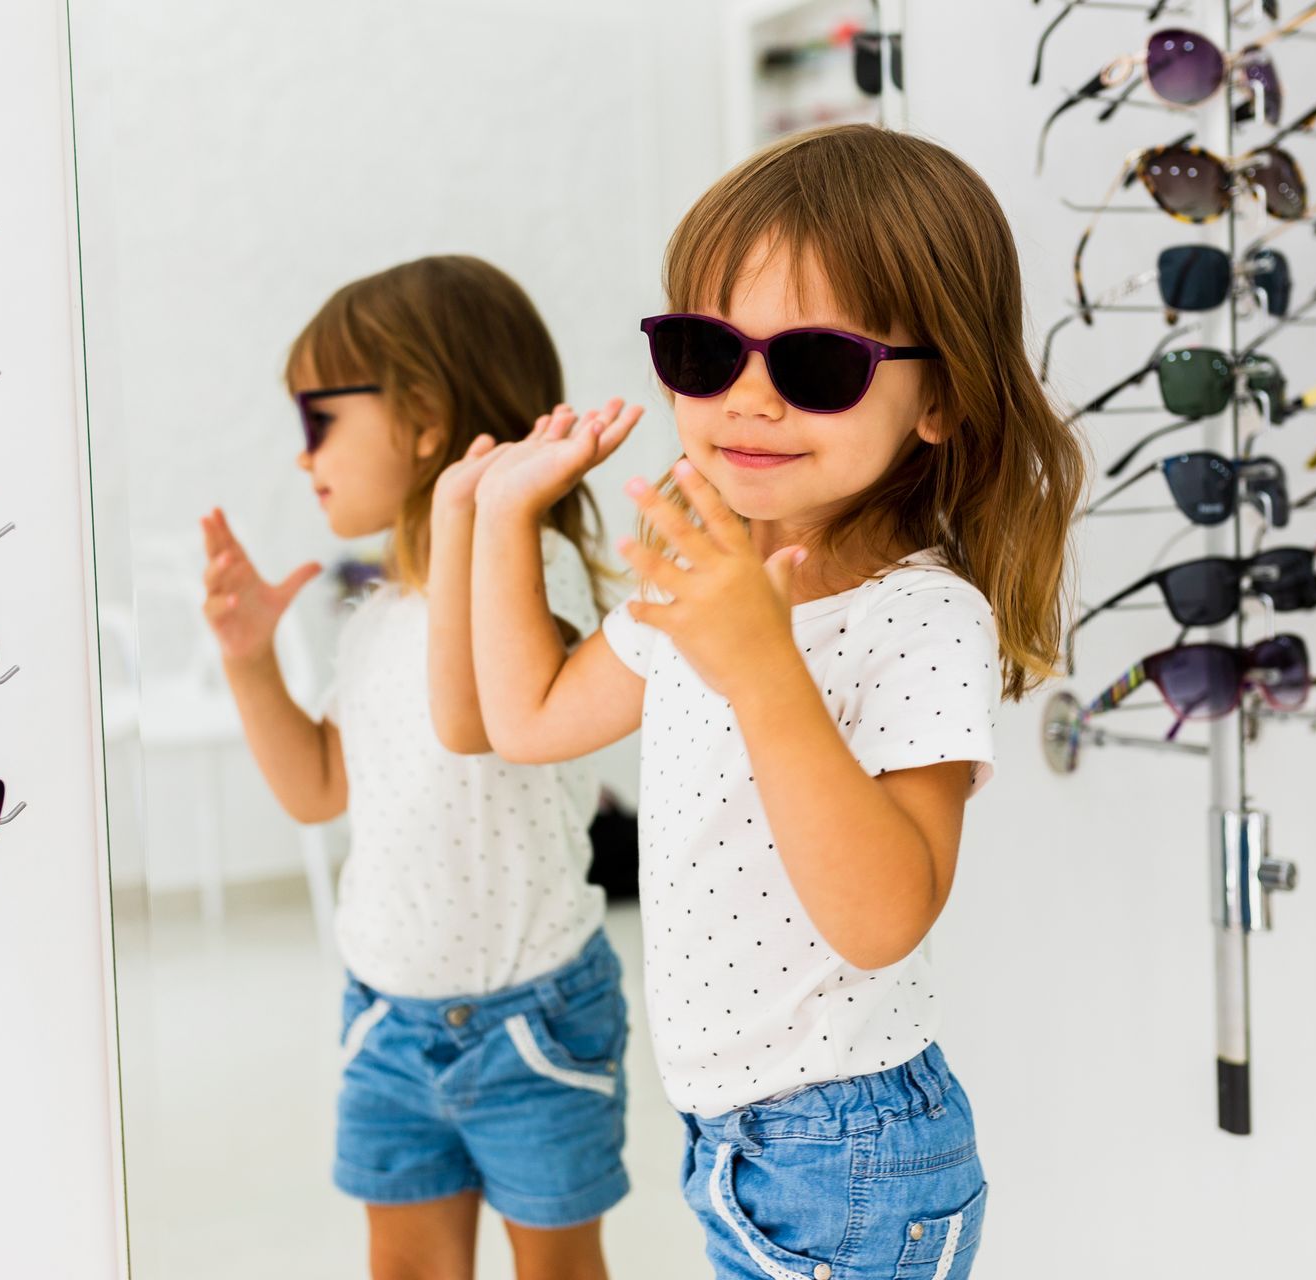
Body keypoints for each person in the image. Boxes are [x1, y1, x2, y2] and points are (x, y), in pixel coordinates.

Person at [450, 125, 1085, 1279]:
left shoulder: (921, 614)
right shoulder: (706, 578)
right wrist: (501, 518)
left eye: (817, 364)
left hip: (846, 1150)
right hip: (737, 1135)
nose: (748, 399)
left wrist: (760, 666)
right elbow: (529, 718)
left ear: (938, 398)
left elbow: (885, 915)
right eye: (705, 350)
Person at [200, 255, 632, 1280]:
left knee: (559, 1268)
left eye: (321, 421)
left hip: (533, 1020)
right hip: (387, 1015)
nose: (305, 457)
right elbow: (317, 785)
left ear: (428, 418)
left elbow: (473, 716)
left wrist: (467, 524)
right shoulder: (379, 614)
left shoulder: (536, 567)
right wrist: (251, 660)